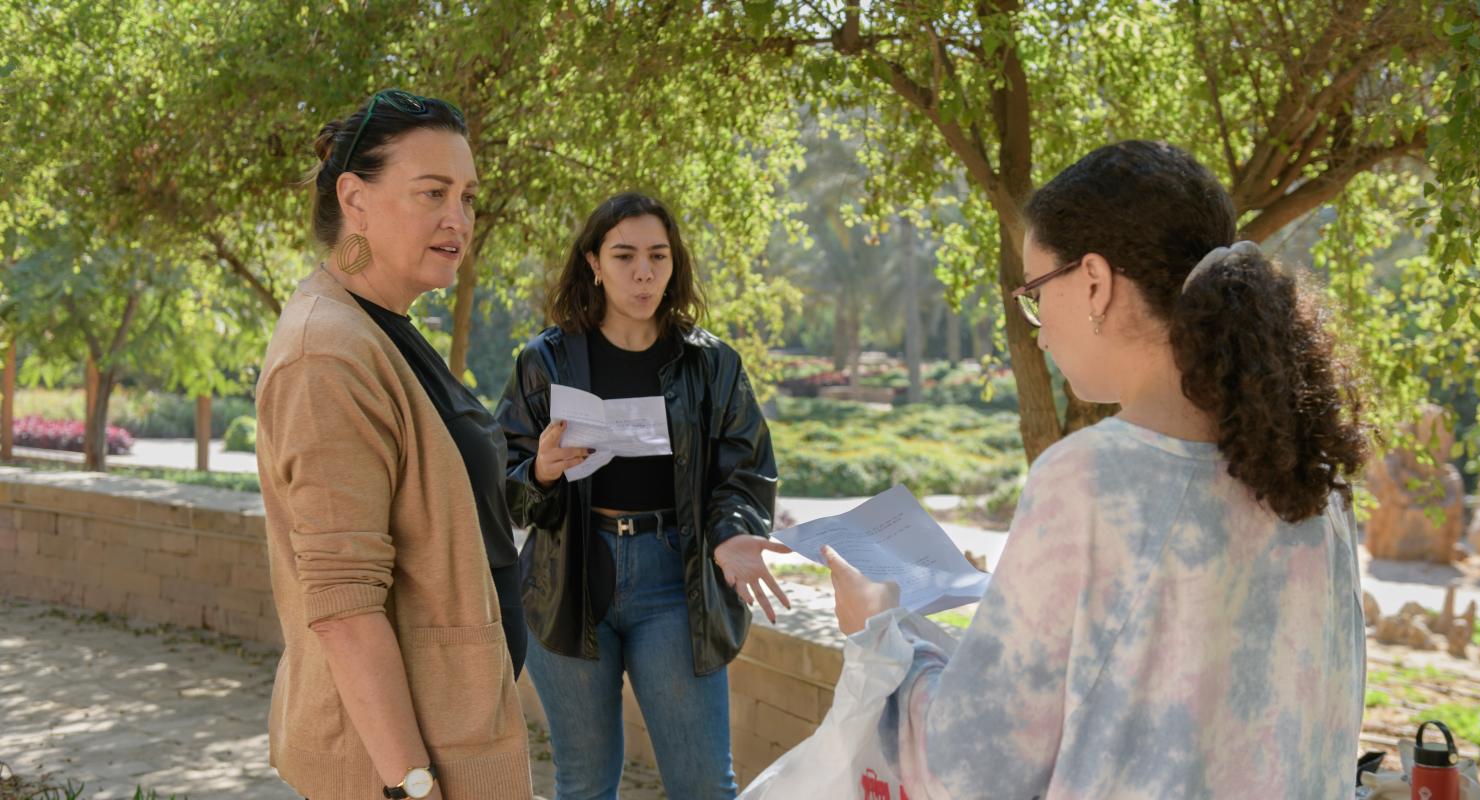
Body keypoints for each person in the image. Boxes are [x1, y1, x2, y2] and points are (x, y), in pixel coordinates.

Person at [826, 140, 1370, 799]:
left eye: (1035, 292)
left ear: (1094, 282)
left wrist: (882, 634)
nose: (1037, 331)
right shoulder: (1315, 476)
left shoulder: (1090, 479)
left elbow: (968, 770)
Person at [255, 89, 532, 799]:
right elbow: (345, 609)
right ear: (355, 199)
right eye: (432, 192)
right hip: (397, 765)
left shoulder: (379, 327)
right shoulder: (329, 354)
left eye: (467, 197)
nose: (457, 219)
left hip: (449, 732)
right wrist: (412, 785)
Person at [497, 192, 790, 800]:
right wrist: (541, 472)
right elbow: (505, 485)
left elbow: (745, 469)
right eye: (624, 255)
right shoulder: (545, 361)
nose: (643, 273)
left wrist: (731, 532)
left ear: (674, 264)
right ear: (594, 264)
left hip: (675, 579)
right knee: (583, 785)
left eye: (658, 256)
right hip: (568, 579)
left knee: (704, 786)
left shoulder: (712, 364)